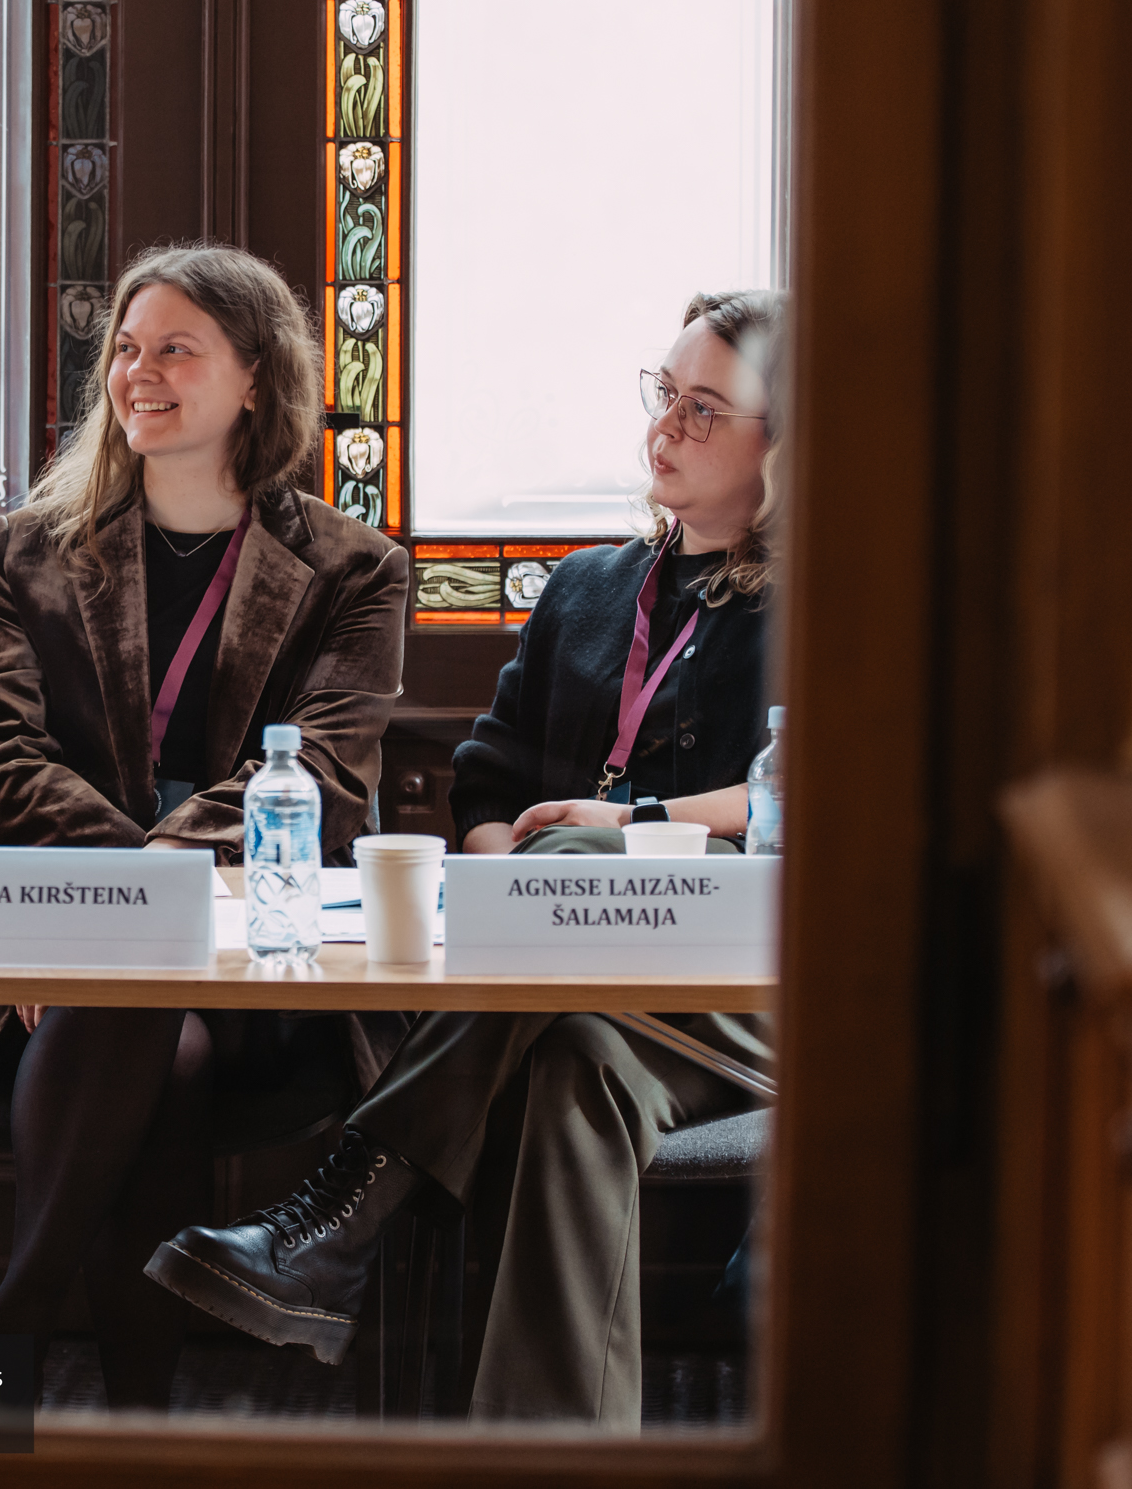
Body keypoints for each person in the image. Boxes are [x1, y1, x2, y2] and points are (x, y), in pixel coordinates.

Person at [148, 289, 786, 1428]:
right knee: (575, 1064)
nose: (666, 429)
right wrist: (506, 866)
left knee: (580, 890)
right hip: (578, 995)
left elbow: (809, 792)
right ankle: (558, 1451)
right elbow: (486, 777)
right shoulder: (590, 588)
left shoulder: (831, 606)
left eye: (704, 409)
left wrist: (619, 830)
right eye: (663, 395)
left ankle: (334, 1217)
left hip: (745, 981)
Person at [0, 241, 410, 1408]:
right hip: (49, 941)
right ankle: (134, 1406)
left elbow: (326, 769)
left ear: (254, 376)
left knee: (147, 1004)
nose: (139, 371)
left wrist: (132, 900)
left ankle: (3, 1352)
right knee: (153, 1038)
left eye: (176, 347)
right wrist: (112, 910)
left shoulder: (351, 568)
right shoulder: (32, 550)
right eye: (126, 349)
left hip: (255, 949)